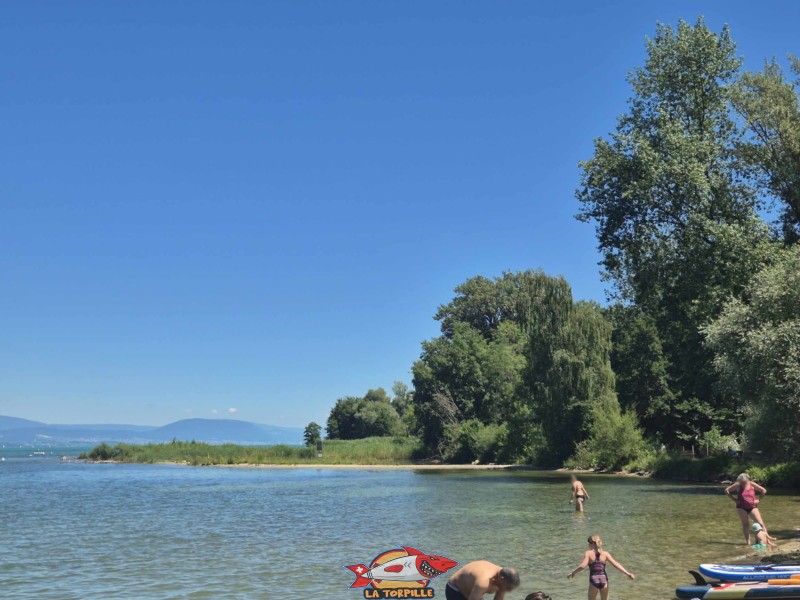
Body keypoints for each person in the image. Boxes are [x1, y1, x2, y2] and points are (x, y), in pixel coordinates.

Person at [568, 535, 635, 600]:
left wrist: (573, 573)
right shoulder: (605, 554)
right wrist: (628, 573)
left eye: (588, 543)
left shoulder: (588, 553)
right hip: (604, 581)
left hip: (594, 581)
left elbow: (583, 566)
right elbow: (616, 564)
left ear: (591, 544)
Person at [724, 473, 770, 545]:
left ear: (747, 480)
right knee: (746, 525)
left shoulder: (752, 484)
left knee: (761, 524)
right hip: (741, 507)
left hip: (752, 507)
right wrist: (734, 500)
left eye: (744, 481)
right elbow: (727, 490)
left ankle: (767, 541)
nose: (742, 483)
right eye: (741, 481)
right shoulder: (738, 484)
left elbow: (763, 491)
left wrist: (759, 500)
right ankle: (748, 543)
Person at [446, 561, 520, 600]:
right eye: (508, 588)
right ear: (501, 579)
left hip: (472, 592)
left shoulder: (503, 578)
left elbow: (499, 598)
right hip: (455, 590)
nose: (509, 591)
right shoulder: (484, 582)